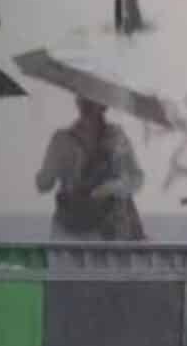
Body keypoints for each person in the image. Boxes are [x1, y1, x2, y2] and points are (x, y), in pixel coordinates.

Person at [36, 97, 146, 240]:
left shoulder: (117, 137)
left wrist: (112, 188)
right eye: (82, 100)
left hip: (107, 229)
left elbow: (136, 178)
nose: (85, 104)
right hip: (69, 227)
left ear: (104, 106)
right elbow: (44, 184)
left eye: (90, 101)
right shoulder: (62, 139)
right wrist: (54, 166)